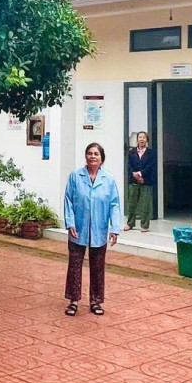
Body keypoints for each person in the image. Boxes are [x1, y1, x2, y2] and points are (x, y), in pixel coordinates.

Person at [62, 142, 122, 316]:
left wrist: (114, 228)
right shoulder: (75, 176)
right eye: (90, 153)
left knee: (97, 267)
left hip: (99, 229)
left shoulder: (108, 180)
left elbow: (114, 205)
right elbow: (68, 200)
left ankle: (95, 301)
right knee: (74, 265)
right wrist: (70, 222)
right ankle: (73, 301)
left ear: (102, 158)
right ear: (85, 156)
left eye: (96, 154)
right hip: (78, 228)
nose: (93, 156)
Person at [124, 131, 156, 231]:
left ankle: (144, 225)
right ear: (137, 139)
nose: (142, 139)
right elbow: (129, 165)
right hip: (133, 180)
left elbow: (150, 166)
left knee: (145, 204)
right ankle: (130, 224)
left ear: (147, 140)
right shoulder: (131, 152)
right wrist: (135, 175)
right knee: (132, 204)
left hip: (146, 181)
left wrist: (141, 174)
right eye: (140, 137)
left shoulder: (151, 153)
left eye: (144, 137)